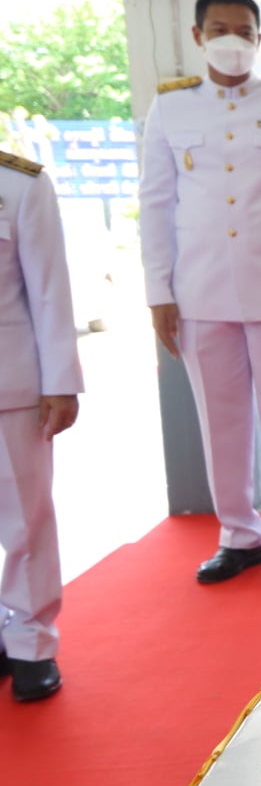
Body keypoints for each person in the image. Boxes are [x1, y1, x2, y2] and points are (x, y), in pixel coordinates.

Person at [139, 0, 261, 583]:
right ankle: (239, 536)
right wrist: (159, 293)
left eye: (244, 32)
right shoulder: (170, 108)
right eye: (220, 30)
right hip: (200, 293)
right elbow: (155, 205)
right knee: (220, 422)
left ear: (258, 39)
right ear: (198, 36)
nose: (233, 41)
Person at [0, 150, 82, 701]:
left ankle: (31, 643)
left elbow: (50, 289)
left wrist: (60, 380)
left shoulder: (19, 185)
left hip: (10, 382)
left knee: (25, 521)